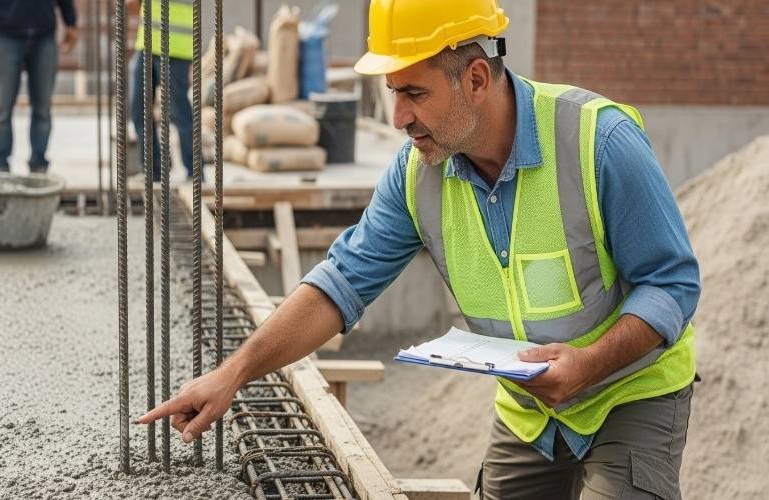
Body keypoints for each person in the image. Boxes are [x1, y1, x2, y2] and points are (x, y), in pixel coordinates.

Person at [139, 1, 700, 498]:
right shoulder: (416, 176)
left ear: (475, 78)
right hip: (531, 413)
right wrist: (232, 375)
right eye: (393, 93)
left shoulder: (597, 142)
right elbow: (340, 285)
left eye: (415, 93)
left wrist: (590, 363)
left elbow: (672, 284)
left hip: (629, 392)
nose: (398, 118)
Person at [0, 0, 78, 173]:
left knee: (43, 108)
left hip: (44, 33)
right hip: (6, 32)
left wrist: (70, 21)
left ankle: (39, 165)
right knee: (1, 107)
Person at [127, 0, 194, 182]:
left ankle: (195, 173)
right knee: (139, 109)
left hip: (176, 47)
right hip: (147, 43)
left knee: (179, 112)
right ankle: (152, 171)